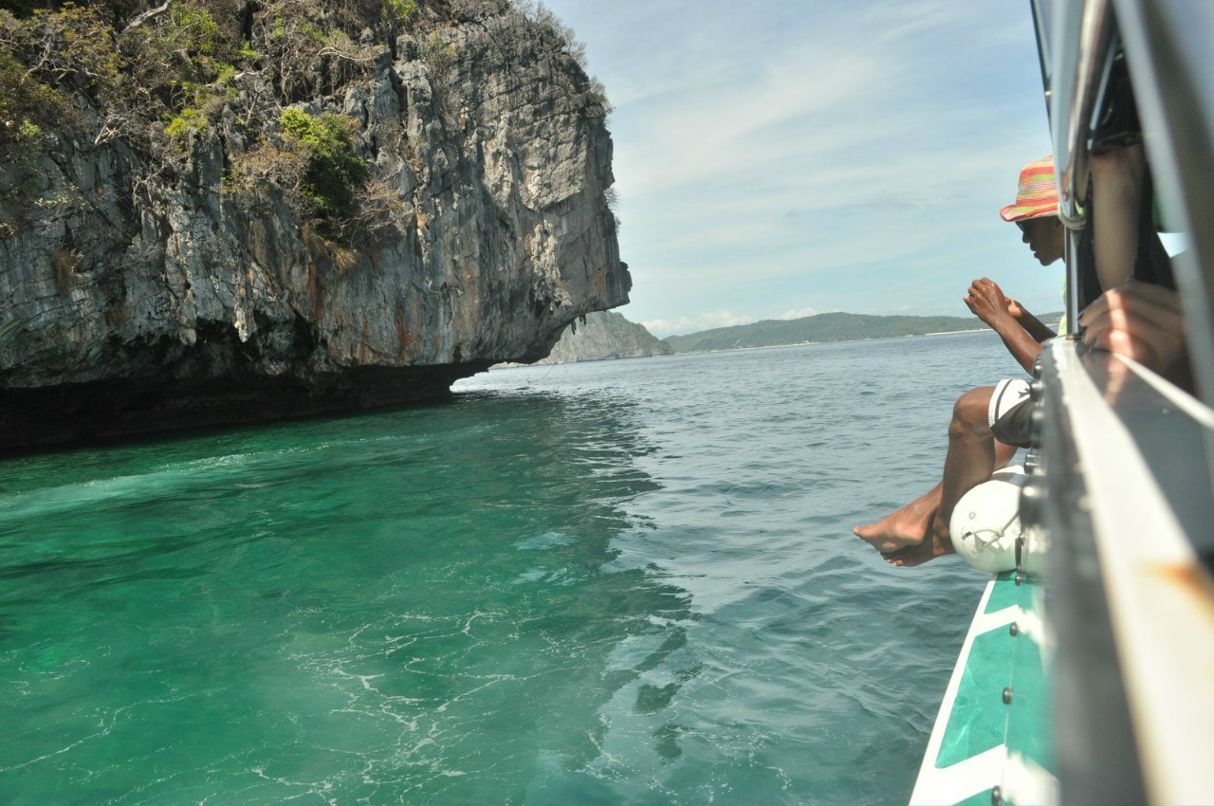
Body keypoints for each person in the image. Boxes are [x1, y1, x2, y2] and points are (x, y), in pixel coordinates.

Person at [853, 157, 1068, 566]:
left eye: (1027, 226)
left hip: (1097, 406)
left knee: (972, 410)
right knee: (998, 426)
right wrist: (1025, 320)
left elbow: (1062, 374)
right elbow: (1069, 351)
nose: (1024, 239)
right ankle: (918, 516)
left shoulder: (1092, 275)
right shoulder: (1081, 272)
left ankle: (940, 534)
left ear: (1058, 221)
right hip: (1091, 396)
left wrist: (1001, 321)